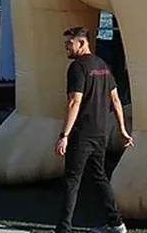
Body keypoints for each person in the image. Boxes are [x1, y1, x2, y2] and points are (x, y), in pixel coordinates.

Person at [55, 26, 133, 233]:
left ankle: (64, 229)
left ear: (82, 43)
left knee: (72, 180)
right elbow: (115, 99)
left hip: (81, 134)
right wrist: (122, 130)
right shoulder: (103, 66)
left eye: (69, 44)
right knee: (99, 177)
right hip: (100, 134)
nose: (66, 48)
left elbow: (74, 102)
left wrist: (64, 135)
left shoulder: (77, 68)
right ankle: (116, 223)